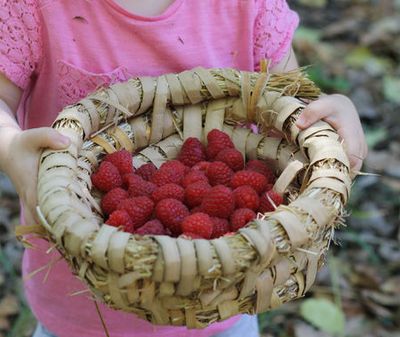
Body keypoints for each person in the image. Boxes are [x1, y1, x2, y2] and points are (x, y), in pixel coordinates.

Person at [0, 1, 367, 336]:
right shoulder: (32, 8)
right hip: (84, 313)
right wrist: (10, 145)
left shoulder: (248, 6)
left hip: (222, 302)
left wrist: (329, 116)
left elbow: (290, 107)